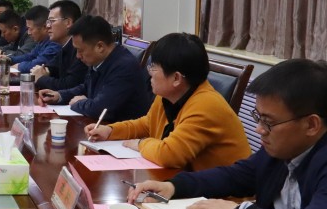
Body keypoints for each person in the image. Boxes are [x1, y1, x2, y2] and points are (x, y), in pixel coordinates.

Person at [128, 59, 327, 209]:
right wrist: (173, 186)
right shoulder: (281, 149)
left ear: (311, 125)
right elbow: (235, 176)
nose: (259, 129)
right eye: (258, 117)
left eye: (268, 122)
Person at [86, 33, 250, 170]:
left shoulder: (206, 105)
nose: (150, 73)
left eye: (154, 67)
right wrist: (110, 131)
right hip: (186, 181)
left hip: (222, 195)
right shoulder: (168, 94)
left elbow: (169, 155)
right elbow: (147, 124)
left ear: (176, 78)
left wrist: (141, 144)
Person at [39, 15, 151, 122]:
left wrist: (79, 103)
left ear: (100, 47)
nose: (78, 56)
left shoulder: (124, 67)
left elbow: (101, 109)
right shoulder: (100, 59)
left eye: (80, 50)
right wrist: (60, 96)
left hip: (123, 131)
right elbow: (87, 87)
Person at [32, 0, 87, 92]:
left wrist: (41, 78)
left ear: (68, 23)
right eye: (48, 21)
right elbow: (49, 67)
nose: (47, 26)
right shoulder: (64, 46)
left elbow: (69, 85)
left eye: (52, 21)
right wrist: (43, 71)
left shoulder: (80, 49)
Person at [8, 5, 61, 74]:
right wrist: (10, 59)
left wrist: (19, 66)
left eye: (30, 29)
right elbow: (30, 56)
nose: (28, 33)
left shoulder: (55, 43)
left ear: (44, 27)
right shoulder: (42, 41)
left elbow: (39, 64)